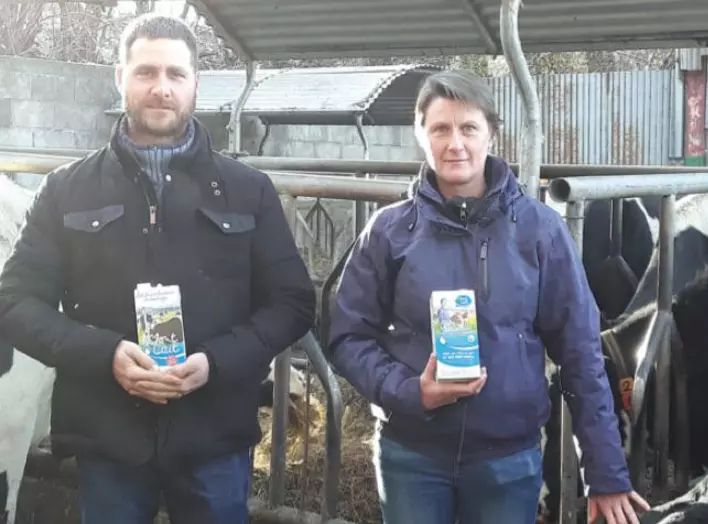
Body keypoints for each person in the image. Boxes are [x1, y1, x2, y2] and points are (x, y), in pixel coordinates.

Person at [0, 13, 315, 524]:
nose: (161, 88)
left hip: (214, 433)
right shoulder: (65, 189)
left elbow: (293, 301)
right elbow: (14, 301)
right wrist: (106, 355)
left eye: (175, 74)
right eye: (146, 72)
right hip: (109, 436)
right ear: (120, 78)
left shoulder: (247, 189)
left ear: (195, 84)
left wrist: (216, 361)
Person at [328, 70, 650, 524]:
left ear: (492, 135)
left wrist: (605, 471)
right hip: (411, 457)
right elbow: (347, 337)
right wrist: (410, 392)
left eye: (468, 128)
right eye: (440, 128)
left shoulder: (540, 232)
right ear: (420, 134)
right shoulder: (388, 231)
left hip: (507, 461)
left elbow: (581, 354)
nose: (454, 142)